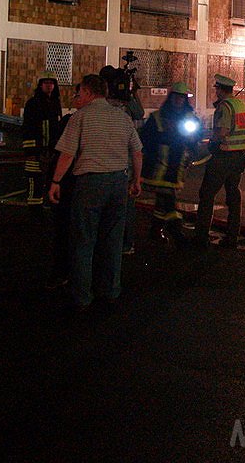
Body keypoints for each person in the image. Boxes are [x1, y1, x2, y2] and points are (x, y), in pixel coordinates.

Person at [48, 74, 142, 311]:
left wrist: (55, 181)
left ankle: (82, 295)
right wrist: (136, 179)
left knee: (84, 240)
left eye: (79, 93)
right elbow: (137, 151)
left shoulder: (80, 118)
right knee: (112, 240)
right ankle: (110, 290)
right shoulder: (122, 117)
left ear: (89, 93)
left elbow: (67, 154)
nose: (77, 97)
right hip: (119, 182)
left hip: (90, 183)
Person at [140, 81, 201, 248]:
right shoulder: (157, 117)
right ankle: (177, 234)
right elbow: (145, 140)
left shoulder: (190, 118)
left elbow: (195, 139)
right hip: (159, 168)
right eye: (176, 97)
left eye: (182, 98)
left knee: (162, 200)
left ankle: (155, 231)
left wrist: (192, 149)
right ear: (171, 97)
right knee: (169, 201)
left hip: (176, 167)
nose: (179, 101)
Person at [194, 74, 245, 248]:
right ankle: (232, 237)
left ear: (220, 89)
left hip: (224, 155)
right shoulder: (242, 105)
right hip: (240, 156)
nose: (216, 91)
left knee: (207, 194)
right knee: (233, 195)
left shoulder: (225, 106)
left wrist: (211, 141)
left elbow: (223, 131)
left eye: (216, 88)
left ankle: (201, 237)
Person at [99, 64, 144, 254]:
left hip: (109, 160)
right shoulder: (126, 103)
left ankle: (115, 242)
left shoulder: (103, 103)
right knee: (126, 204)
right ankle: (126, 243)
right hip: (126, 160)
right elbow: (140, 114)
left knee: (109, 204)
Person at [43, 84, 84, 291]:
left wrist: (55, 181)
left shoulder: (73, 121)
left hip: (70, 183)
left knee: (65, 230)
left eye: (78, 94)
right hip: (88, 184)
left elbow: (62, 151)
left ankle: (64, 272)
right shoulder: (115, 119)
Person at [22, 71, 63, 206]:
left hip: (52, 152)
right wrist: (31, 152)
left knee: (52, 182)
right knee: (35, 183)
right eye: (46, 83)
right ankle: (34, 213)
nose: (49, 86)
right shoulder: (32, 104)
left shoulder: (56, 104)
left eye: (51, 83)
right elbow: (28, 129)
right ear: (40, 85)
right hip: (36, 152)